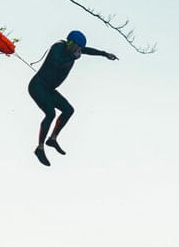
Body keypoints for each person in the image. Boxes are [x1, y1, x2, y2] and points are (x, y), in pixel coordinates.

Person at [28, 30, 118, 166]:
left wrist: (105, 54)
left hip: (50, 90)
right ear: (69, 43)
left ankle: (52, 139)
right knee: (50, 113)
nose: (77, 50)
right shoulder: (58, 47)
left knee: (68, 110)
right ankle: (40, 148)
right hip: (38, 86)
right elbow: (56, 62)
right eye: (75, 47)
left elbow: (88, 50)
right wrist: (73, 57)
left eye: (79, 48)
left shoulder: (76, 51)